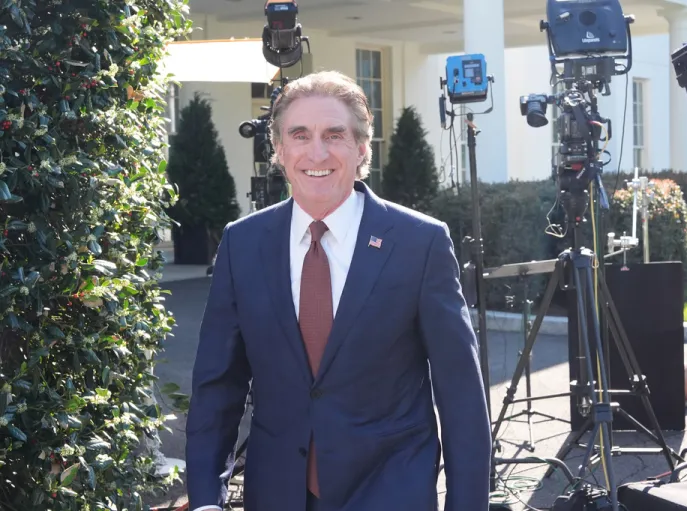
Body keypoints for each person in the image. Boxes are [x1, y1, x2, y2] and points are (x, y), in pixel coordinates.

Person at [185, 70, 492, 511]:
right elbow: (217, 388)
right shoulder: (242, 243)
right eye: (300, 135)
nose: (317, 152)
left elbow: (461, 394)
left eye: (334, 135)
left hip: (390, 490)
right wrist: (205, 501)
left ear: (362, 147)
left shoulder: (419, 243)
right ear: (279, 149)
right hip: (277, 494)